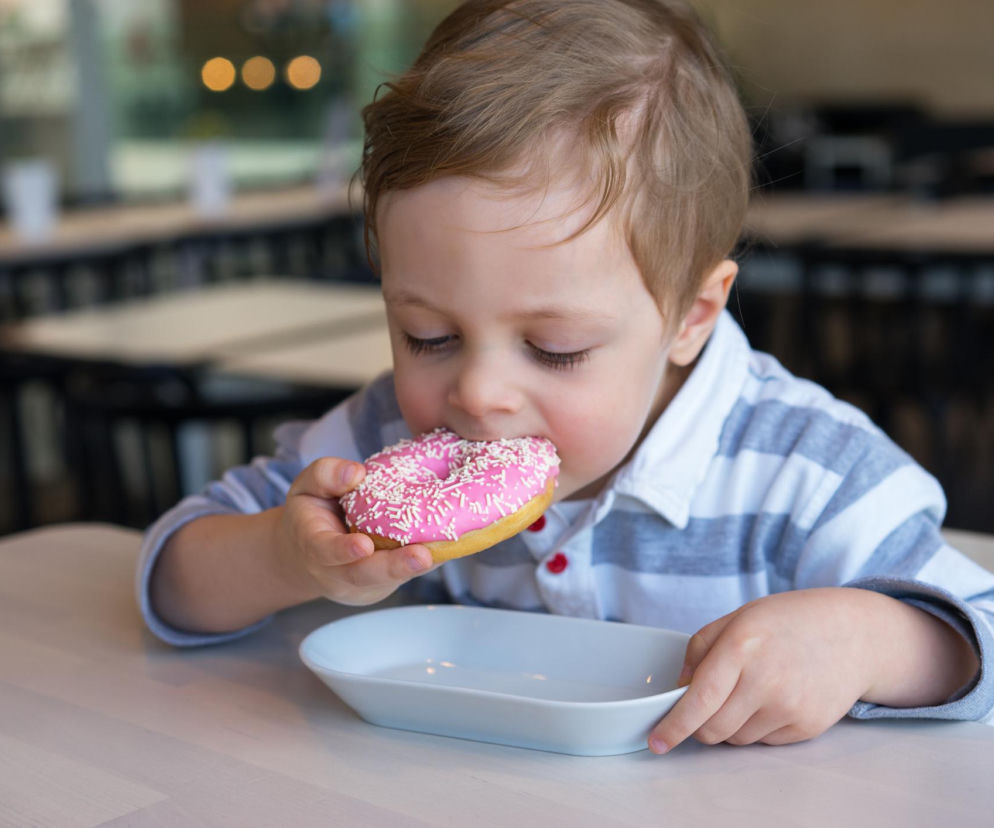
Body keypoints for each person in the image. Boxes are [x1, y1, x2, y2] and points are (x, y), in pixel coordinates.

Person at [138, 0, 994, 753]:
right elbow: (173, 578)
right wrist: (289, 557)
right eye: (427, 335)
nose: (477, 394)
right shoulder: (380, 443)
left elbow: (981, 637)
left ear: (692, 315)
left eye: (554, 349)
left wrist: (862, 641)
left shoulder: (806, 469)